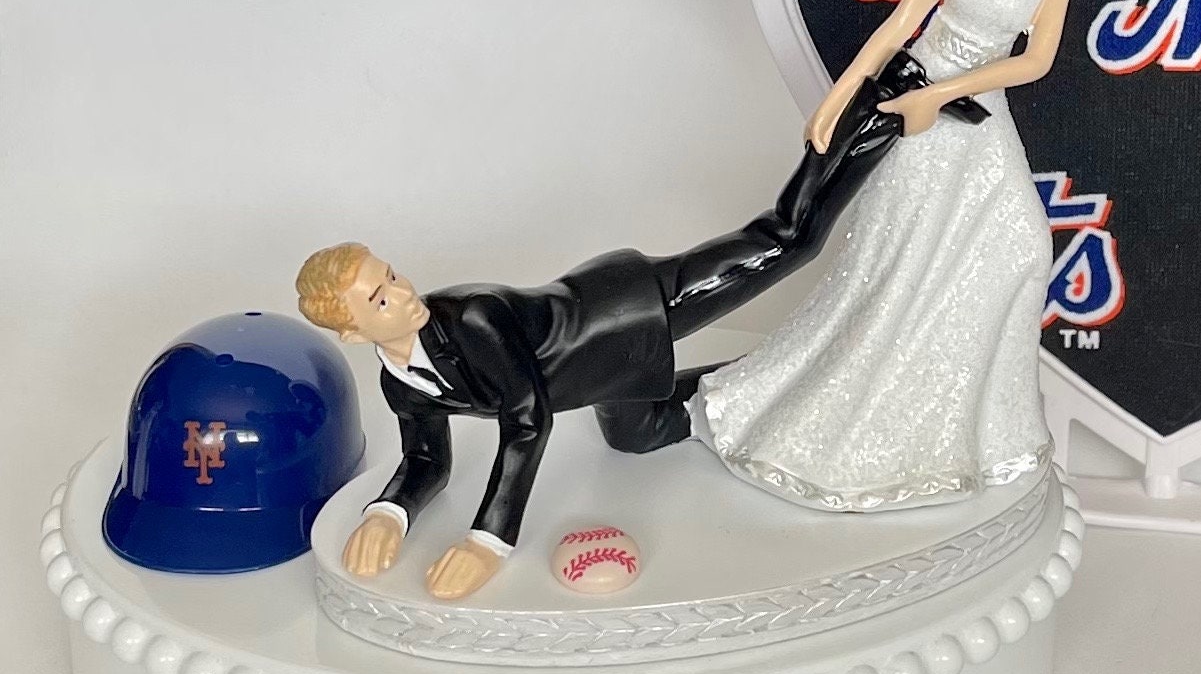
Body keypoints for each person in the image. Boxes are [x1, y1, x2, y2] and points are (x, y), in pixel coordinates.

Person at [294, 69, 922, 599]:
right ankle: (783, 368)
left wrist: (488, 540)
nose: (404, 294)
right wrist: (388, 514)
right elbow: (428, 461)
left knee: (784, 240)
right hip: (601, 376)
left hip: (625, 310)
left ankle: (877, 109)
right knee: (638, 437)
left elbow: (527, 420)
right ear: (352, 333)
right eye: (379, 299)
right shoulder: (403, 386)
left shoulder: (471, 317)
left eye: (392, 275)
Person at [686, 0, 1087, 511]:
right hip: (909, 97)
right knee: (897, 261)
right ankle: (846, 421)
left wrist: (949, 93)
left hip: (972, 107)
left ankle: (976, 428)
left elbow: (1035, 61)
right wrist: (842, 97)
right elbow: (904, 19)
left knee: (1023, 247)